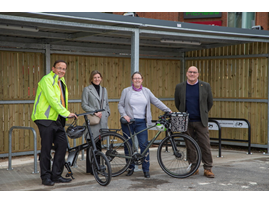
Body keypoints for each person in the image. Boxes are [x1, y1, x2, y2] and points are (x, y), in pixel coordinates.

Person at [31, 60, 78, 186]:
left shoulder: (61, 81)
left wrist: (64, 115)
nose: (62, 71)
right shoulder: (47, 80)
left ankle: (56, 175)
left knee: (62, 146)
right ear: (53, 68)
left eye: (64, 69)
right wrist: (66, 113)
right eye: (59, 68)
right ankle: (45, 177)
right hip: (45, 119)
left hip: (57, 119)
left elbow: (62, 100)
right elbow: (52, 100)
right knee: (46, 149)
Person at [118, 71, 172, 178]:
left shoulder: (146, 91)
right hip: (129, 122)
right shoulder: (126, 91)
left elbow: (156, 101)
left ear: (142, 80)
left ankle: (146, 169)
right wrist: (124, 115)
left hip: (141, 122)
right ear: (132, 80)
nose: (137, 80)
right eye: (135, 78)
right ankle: (130, 168)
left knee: (144, 145)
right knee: (128, 145)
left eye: (139, 78)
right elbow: (120, 105)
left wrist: (168, 110)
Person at [174, 66, 215, 178]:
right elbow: (178, 103)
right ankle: (194, 167)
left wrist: (203, 112)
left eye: (194, 72)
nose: (192, 74)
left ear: (198, 74)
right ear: (187, 73)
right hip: (186, 121)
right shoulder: (180, 87)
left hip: (201, 121)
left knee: (205, 144)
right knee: (190, 145)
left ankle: (208, 168)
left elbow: (209, 102)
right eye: (190, 72)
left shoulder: (205, 86)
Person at [81, 70, 110, 174]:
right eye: (95, 77)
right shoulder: (87, 90)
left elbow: (107, 104)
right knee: (92, 144)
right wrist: (94, 112)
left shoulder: (104, 90)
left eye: (98, 77)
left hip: (102, 120)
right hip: (93, 120)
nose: (97, 79)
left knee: (99, 145)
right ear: (91, 79)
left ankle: (98, 167)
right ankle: (92, 169)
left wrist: (107, 113)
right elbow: (84, 105)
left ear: (101, 78)